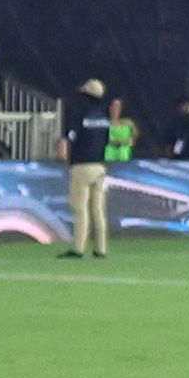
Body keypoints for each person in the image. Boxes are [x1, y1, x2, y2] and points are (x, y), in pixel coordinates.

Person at [62, 81, 116, 259]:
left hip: (82, 165)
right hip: (100, 166)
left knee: (80, 209)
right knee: (98, 210)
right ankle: (101, 248)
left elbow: (70, 138)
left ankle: (78, 248)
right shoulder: (103, 117)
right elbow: (107, 141)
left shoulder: (80, 114)